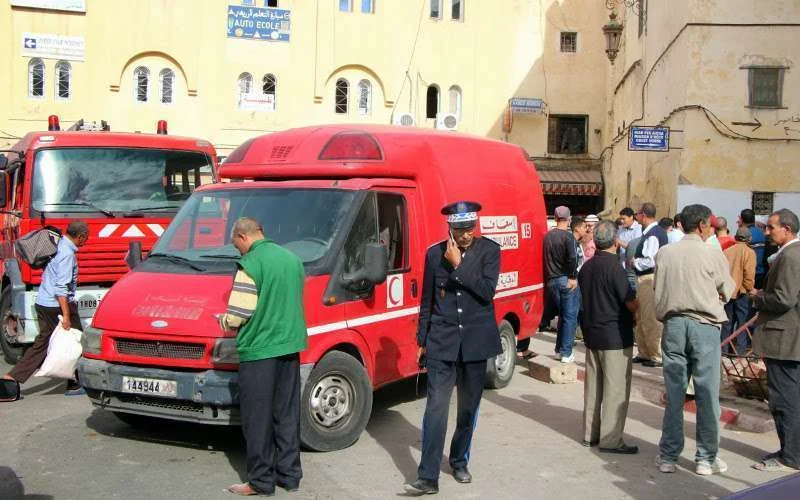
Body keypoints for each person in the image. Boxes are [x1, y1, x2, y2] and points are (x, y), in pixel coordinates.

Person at [406, 201, 502, 495]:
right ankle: (428, 476)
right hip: (442, 342)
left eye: (470, 229)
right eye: (460, 229)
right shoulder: (434, 254)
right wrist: (422, 341)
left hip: (475, 342)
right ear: (450, 227)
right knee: (435, 409)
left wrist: (459, 265)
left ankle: (459, 460)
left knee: (467, 409)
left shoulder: (490, 251)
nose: (465, 235)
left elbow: (487, 291)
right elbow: (427, 302)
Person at [220, 217, 308, 496]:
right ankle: (290, 475)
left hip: (259, 350)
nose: (238, 251)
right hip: (289, 346)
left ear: (242, 237)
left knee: (257, 419)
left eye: (237, 245)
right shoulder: (293, 260)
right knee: (287, 413)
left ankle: (260, 481)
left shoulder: (251, 264)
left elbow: (239, 314)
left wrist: (224, 321)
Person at [653, 204, 735, 476]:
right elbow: (729, 290)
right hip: (704, 326)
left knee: (675, 394)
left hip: (674, 325)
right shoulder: (712, 253)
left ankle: (668, 456)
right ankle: (706, 458)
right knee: (707, 394)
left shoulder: (665, 253)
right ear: (701, 225)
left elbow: (658, 288)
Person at [1, 221, 89, 398]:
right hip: (56, 305)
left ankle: (73, 382)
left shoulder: (58, 245)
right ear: (80, 237)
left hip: (44, 301)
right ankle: (11, 379)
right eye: (85, 238)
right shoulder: (67, 254)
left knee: (47, 343)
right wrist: (66, 316)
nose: (86, 241)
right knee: (74, 342)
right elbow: (61, 289)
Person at [578, 220, 639, 454]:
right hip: (614, 335)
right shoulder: (614, 267)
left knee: (593, 388)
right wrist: (639, 306)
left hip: (592, 333)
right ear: (615, 242)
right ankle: (611, 439)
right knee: (615, 390)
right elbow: (629, 302)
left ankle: (589, 434)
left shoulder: (587, 267)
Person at [749, 208, 800, 472]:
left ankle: (791, 457)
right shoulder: (789, 254)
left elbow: (784, 298)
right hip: (788, 337)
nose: (767, 232)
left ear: (787, 229)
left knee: (784, 399)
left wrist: (758, 297)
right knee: (788, 397)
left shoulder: (791, 255)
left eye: (771, 227)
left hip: (784, 338)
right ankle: (790, 450)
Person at [632, 202, 669, 368]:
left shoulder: (654, 234)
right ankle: (644, 352)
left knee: (649, 317)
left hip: (649, 278)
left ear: (644, 215)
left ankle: (656, 354)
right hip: (644, 279)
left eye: (638, 214)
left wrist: (635, 261)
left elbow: (650, 259)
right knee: (641, 317)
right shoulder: (651, 232)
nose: (637, 217)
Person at [543, 206, 580, 364]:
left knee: (563, 316)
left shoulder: (547, 236)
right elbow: (573, 258)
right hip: (565, 279)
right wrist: (573, 277)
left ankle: (559, 350)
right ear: (569, 219)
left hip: (551, 280)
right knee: (570, 317)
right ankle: (566, 352)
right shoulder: (568, 237)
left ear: (556, 218)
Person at [721, 227, 756, 353]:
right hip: (742, 292)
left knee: (727, 323)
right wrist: (750, 289)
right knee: (743, 324)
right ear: (749, 239)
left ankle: (724, 350)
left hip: (728, 292)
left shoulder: (727, 251)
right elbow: (749, 275)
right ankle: (739, 352)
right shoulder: (750, 252)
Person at [739, 208, 767, 288]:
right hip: (761, 272)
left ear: (742, 219)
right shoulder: (761, 233)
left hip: (749, 274)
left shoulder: (744, 234)